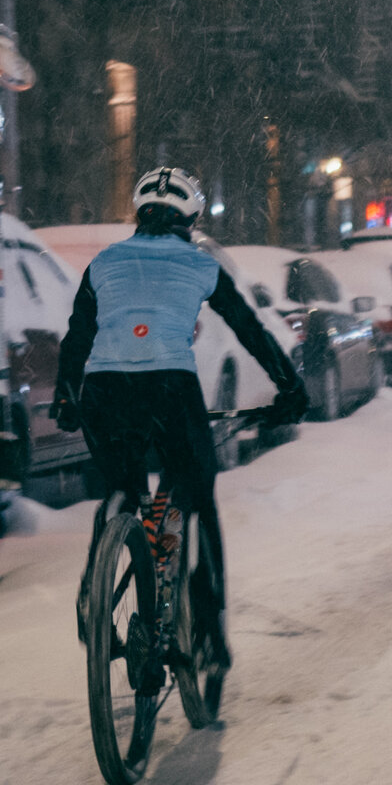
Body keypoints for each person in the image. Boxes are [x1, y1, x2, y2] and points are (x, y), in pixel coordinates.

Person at [53, 166, 308, 681]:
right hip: (169, 386)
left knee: (122, 488)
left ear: (139, 214)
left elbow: (77, 336)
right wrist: (290, 387)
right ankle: (207, 627)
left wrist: (66, 394)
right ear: (190, 220)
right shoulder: (201, 264)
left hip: (104, 391)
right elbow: (249, 329)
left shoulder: (104, 263)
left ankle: (93, 593)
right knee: (193, 485)